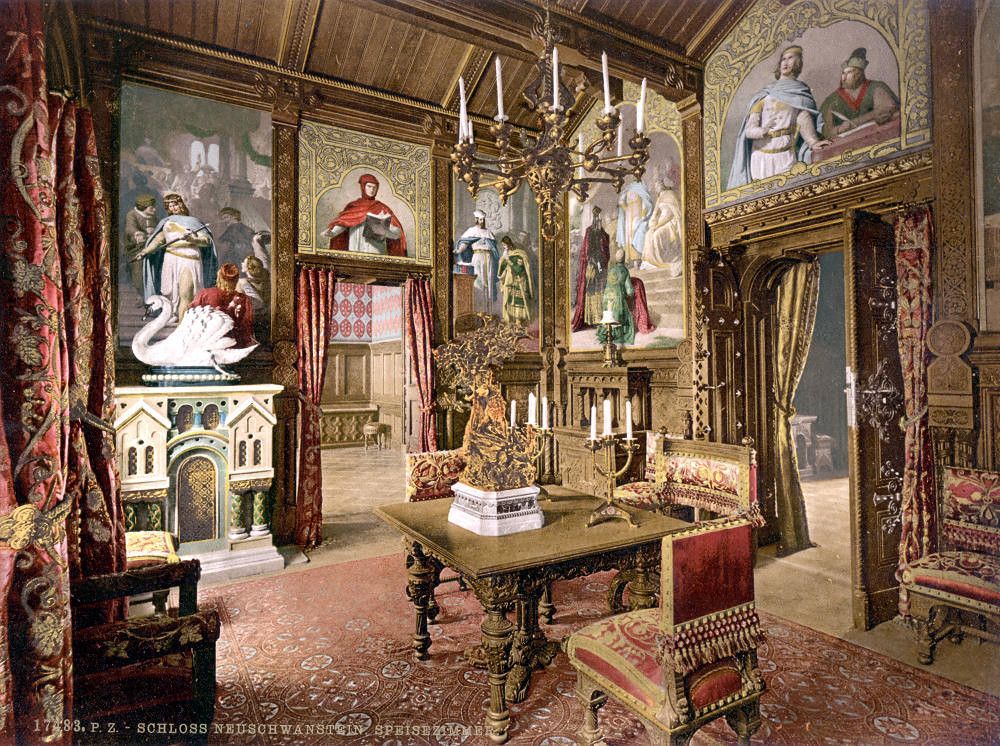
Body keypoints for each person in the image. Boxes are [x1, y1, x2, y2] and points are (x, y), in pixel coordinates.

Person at [728, 45, 831, 189]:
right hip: (760, 158)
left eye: (790, 58)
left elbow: (803, 118)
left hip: (786, 156)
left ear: (798, 63)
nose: (785, 63)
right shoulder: (766, 95)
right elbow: (749, 130)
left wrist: (813, 142)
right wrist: (762, 130)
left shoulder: (799, 92)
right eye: (783, 59)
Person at [138, 192, 217, 324]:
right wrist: (145, 251)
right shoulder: (166, 222)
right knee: (170, 295)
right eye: (169, 206)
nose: (173, 208)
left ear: (181, 204)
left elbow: (206, 241)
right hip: (171, 260)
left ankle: (181, 327)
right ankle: (176, 318)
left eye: (174, 204)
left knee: (186, 293)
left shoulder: (194, 222)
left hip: (189, 259)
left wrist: (192, 238)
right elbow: (158, 240)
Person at [819, 48, 900, 140]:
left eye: (849, 73)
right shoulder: (832, 100)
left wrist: (854, 123)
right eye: (843, 73)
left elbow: (885, 110)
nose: (844, 78)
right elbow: (824, 131)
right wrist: (839, 129)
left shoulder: (876, 87)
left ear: (859, 75)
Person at [323, 173, 406, 256]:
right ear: (363, 187)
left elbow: (397, 233)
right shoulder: (353, 206)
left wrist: (384, 230)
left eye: (374, 187)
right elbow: (343, 223)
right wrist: (333, 232)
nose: (372, 190)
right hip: (354, 252)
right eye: (369, 186)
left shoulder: (382, 208)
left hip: (376, 253)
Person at [188, 263, 255, 349]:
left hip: (206, 342)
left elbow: (191, 315)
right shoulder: (243, 299)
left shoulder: (205, 294)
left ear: (219, 277)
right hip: (234, 343)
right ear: (236, 280)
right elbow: (247, 326)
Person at [571, 206, 610, 331]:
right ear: (595, 217)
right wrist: (597, 264)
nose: (600, 219)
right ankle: (594, 319)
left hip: (601, 265)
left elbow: (605, 243)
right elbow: (591, 250)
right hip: (594, 265)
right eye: (598, 217)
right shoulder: (592, 231)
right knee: (594, 291)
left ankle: (600, 317)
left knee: (600, 290)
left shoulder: (600, 231)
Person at [642, 170, 684, 275]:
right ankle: (650, 261)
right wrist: (652, 223)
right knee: (648, 234)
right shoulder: (660, 197)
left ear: (661, 184)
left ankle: (663, 258)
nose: (655, 187)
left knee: (656, 235)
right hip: (661, 222)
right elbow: (655, 212)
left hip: (671, 223)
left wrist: (657, 226)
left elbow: (670, 215)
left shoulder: (670, 194)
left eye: (656, 184)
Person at [453, 209, 499, 303]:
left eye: (483, 220)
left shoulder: (488, 232)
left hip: (489, 258)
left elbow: (493, 247)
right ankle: (479, 302)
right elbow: (464, 243)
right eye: (480, 219)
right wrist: (459, 250)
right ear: (476, 219)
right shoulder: (471, 231)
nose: (482, 222)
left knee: (489, 278)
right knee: (478, 279)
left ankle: (488, 301)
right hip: (478, 257)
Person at [597, 249, 636, 346]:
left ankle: (608, 332)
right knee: (620, 312)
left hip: (607, 297)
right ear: (624, 259)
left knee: (609, 315)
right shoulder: (625, 270)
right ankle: (617, 333)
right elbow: (630, 290)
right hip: (618, 298)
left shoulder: (611, 269)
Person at [123, 194, 158, 296]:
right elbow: (130, 228)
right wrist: (137, 234)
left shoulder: (154, 217)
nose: (154, 210)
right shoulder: (132, 214)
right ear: (143, 207)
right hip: (135, 248)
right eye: (152, 208)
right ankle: (141, 295)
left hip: (151, 248)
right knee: (138, 273)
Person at [496, 236, 533, 329]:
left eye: (504, 245)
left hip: (518, 281)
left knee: (519, 301)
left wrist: (508, 260)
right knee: (510, 301)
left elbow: (519, 270)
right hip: (509, 281)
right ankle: (510, 320)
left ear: (508, 244)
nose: (503, 247)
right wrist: (503, 260)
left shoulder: (520, 254)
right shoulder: (506, 254)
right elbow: (501, 269)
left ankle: (519, 321)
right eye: (502, 245)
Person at [616, 180, 653, 267]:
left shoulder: (640, 188)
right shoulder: (627, 189)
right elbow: (621, 202)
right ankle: (629, 261)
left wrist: (644, 214)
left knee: (635, 237)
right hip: (629, 217)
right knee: (628, 237)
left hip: (638, 216)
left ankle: (636, 260)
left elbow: (645, 201)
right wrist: (625, 208)